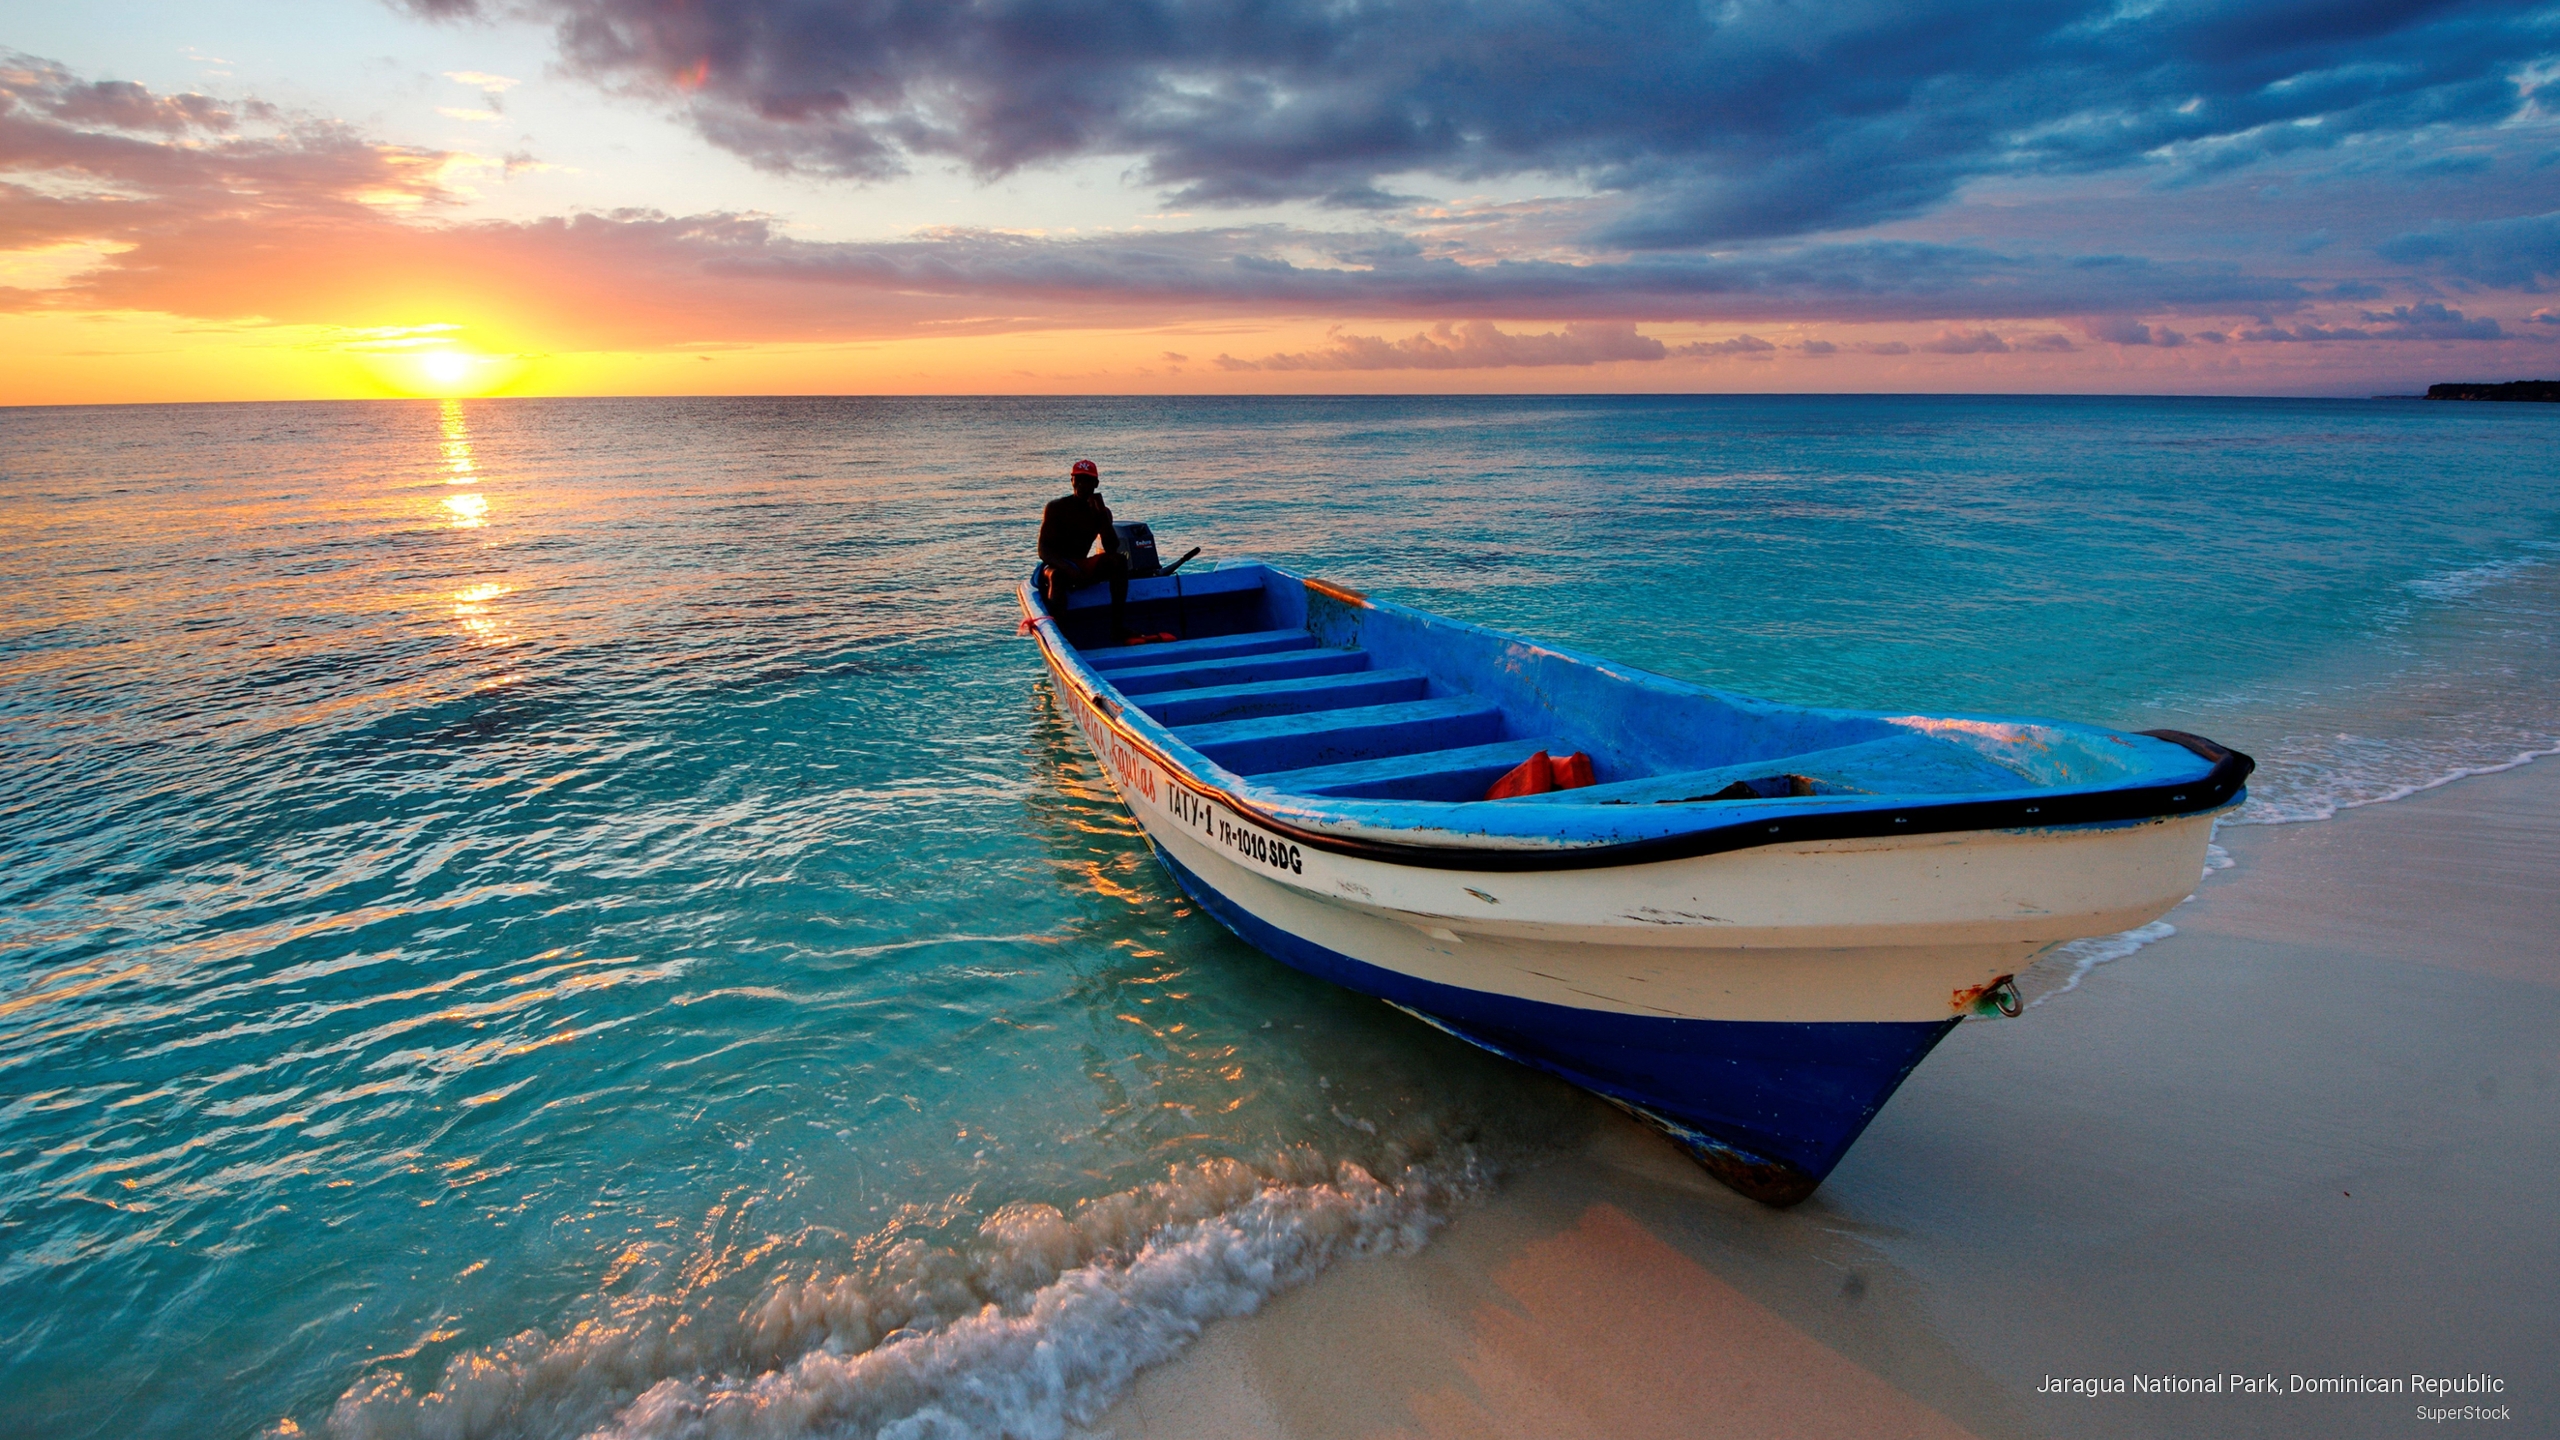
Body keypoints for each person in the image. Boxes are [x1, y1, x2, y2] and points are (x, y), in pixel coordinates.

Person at [1037, 459, 1130, 633]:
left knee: (1118, 562)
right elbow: (1044, 550)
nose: (1081, 484)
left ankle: (1117, 627)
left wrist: (1101, 514)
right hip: (1057, 564)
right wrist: (1069, 568)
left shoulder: (1101, 511)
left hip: (1082, 563)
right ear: (1072, 480)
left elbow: (1111, 548)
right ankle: (1060, 632)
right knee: (1056, 576)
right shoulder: (1056, 507)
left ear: (1095, 484)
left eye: (1087, 480)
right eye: (1078, 479)